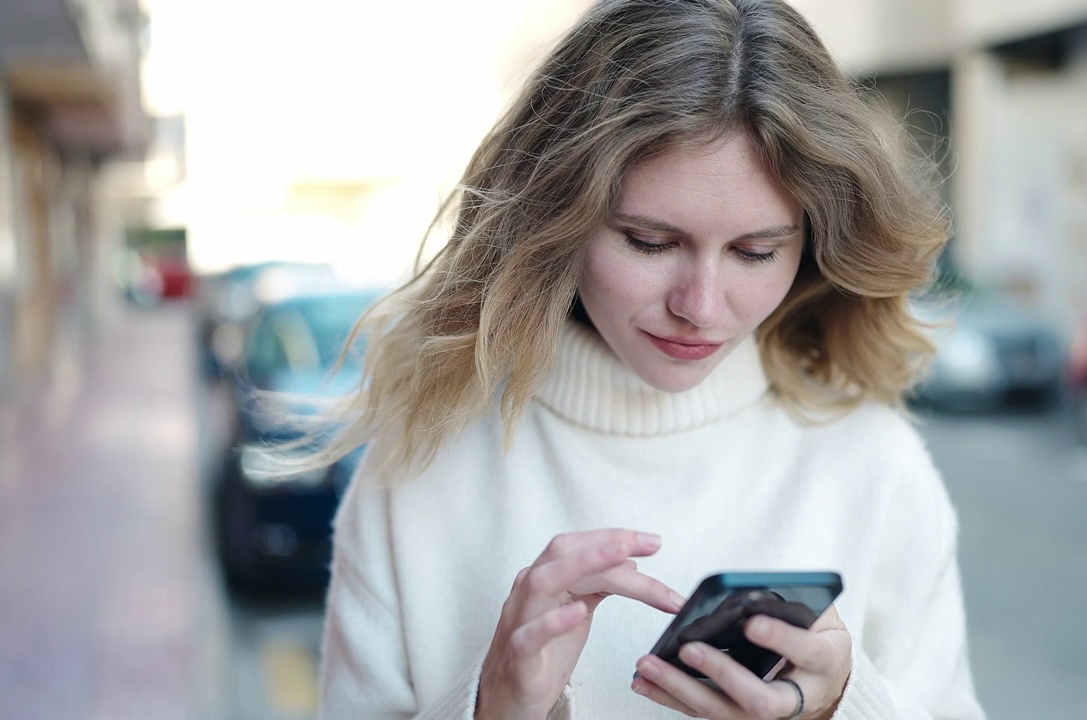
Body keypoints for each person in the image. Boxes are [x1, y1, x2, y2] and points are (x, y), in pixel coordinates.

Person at [313, 0, 986, 718]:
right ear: (553, 217)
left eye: (756, 252)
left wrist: (844, 708)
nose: (700, 305)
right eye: (650, 243)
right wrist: (492, 709)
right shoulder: (420, 467)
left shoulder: (874, 464)